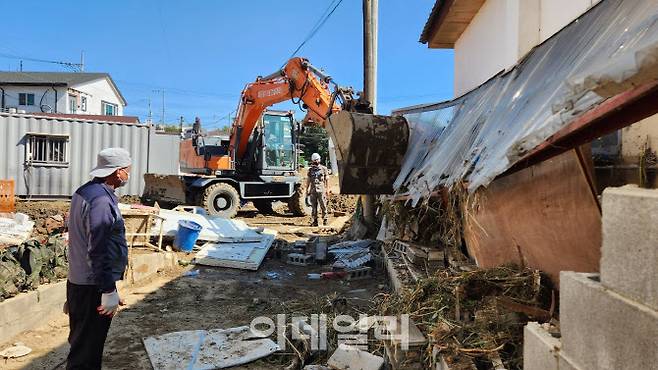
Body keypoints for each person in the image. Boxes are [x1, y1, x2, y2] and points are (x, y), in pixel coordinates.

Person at [65, 147, 131, 369]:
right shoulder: (101, 201)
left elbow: (81, 239)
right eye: (126, 170)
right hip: (91, 287)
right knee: (87, 352)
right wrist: (107, 290)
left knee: (82, 343)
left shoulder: (84, 192)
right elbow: (97, 248)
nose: (127, 175)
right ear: (116, 172)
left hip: (80, 283)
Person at [306, 152, 329, 226]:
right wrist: (307, 189)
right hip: (313, 190)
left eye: (317, 160)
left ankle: (325, 220)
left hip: (321, 190)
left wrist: (327, 189)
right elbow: (308, 180)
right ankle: (315, 221)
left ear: (319, 160)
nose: (315, 162)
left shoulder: (324, 169)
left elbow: (327, 180)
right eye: (314, 160)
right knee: (314, 207)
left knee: (323, 205)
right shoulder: (310, 170)